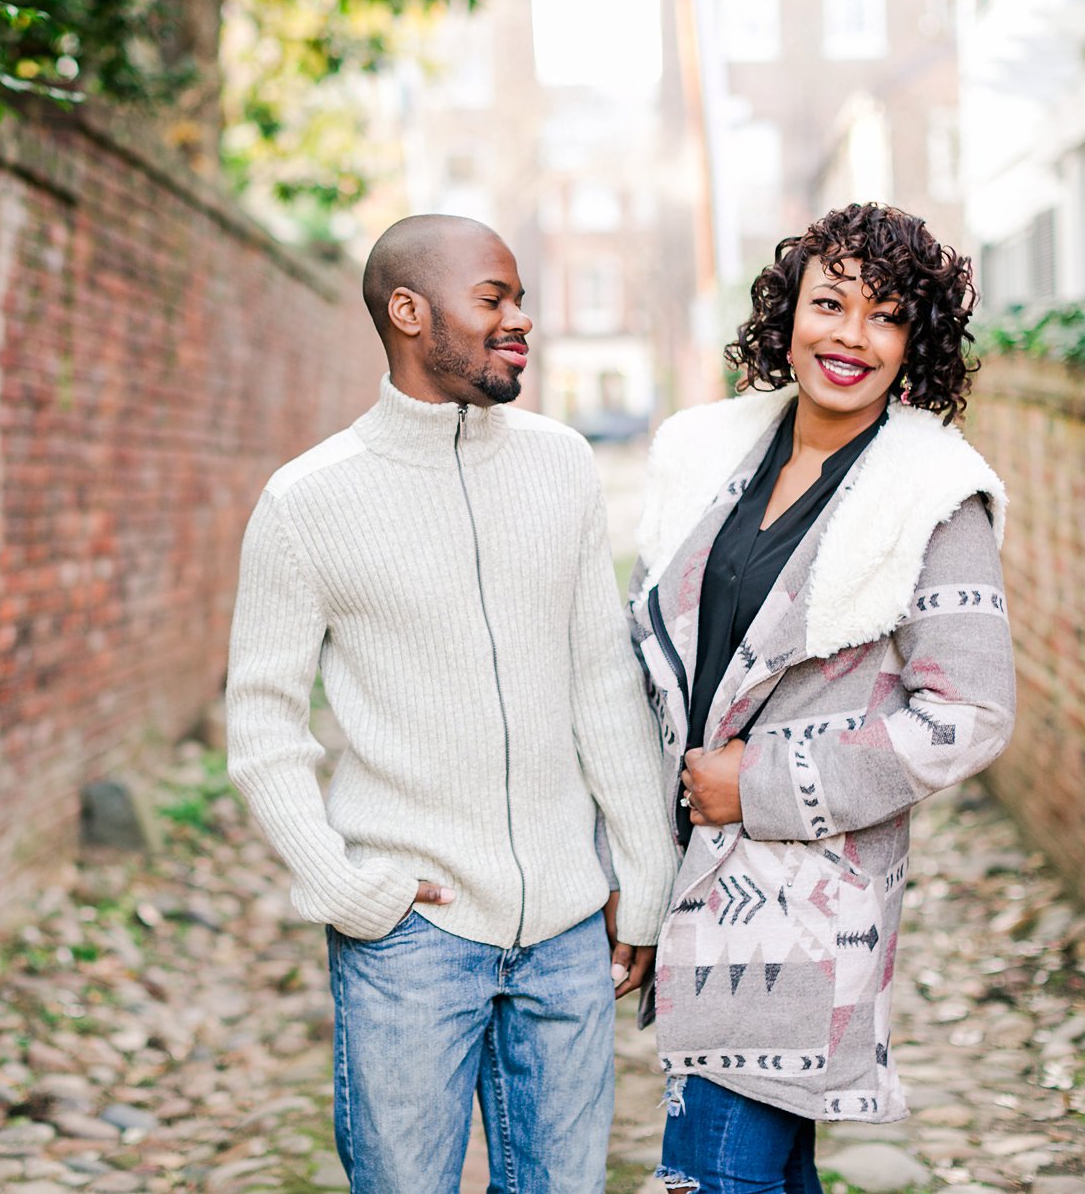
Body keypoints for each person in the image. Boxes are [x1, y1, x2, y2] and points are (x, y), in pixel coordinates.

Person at [226, 214, 679, 1194]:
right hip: (409, 943)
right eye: (493, 299)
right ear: (407, 311)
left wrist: (643, 874)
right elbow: (261, 726)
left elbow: (601, 679)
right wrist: (344, 889)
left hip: (565, 933)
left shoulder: (561, 464)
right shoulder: (306, 502)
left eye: (518, 298)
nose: (520, 319)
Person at [626, 203, 1016, 1194]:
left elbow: (964, 716)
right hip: (683, 877)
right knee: (754, 1172)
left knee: (710, 1175)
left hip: (799, 905)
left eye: (882, 316)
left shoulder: (932, 493)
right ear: (786, 313)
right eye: (827, 303)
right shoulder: (705, 455)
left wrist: (761, 782)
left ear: (911, 344)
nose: (847, 335)